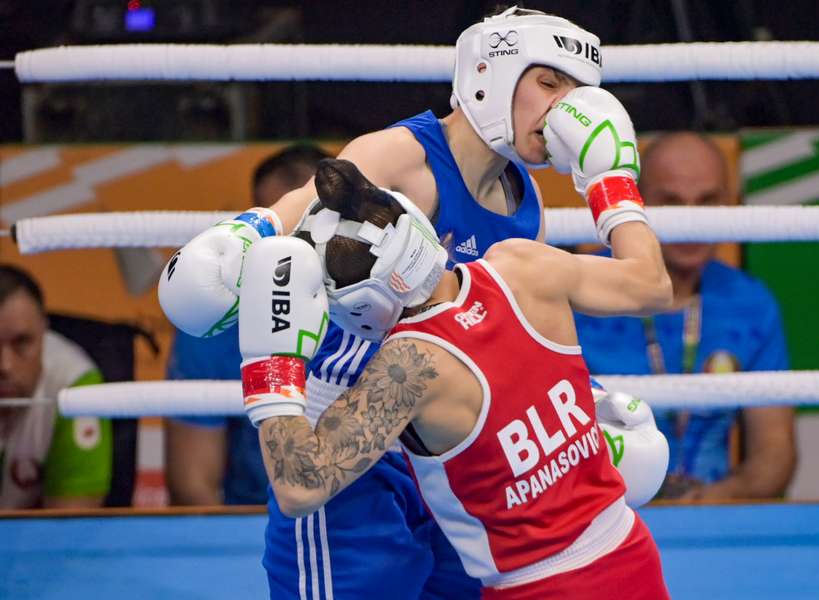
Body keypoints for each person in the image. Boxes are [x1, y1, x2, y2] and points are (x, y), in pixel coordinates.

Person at [159, 7, 642, 599]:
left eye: (577, 93)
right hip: (343, 434)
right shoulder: (403, 155)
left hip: (452, 452)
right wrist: (240, 238)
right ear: (494, 74)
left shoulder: (527, 200)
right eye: (548, 84)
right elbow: (301, 207)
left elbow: (510, 336)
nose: (564, 110)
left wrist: (582, 407)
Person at [237, 156, 672, 598]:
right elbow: (653, 283)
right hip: (630, 552)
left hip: (539, 588)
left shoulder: (409, 368)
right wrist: (608, 176)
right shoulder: (523, 265)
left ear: (358, 308)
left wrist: (270, 357)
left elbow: (299, 485)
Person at [574, 131, 797, 501]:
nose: (690, 221)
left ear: (727, 204)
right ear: (637, 203)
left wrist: (708, 501)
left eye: (706, 201)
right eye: (673, 201)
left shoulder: (750, 303)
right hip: (598, 519)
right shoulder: (580, 287)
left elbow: (774, 455)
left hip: (710, 525)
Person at [165, 142, 332, 506]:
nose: (291, 249)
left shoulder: (386, 302)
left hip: (376, 519)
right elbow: (193, 485)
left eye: (308, 225)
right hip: (255, 522)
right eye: (280, 229)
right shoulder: (218, 318)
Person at [0, 265, 112, 509]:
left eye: (22, 342)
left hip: (30, 545)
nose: (5, 366)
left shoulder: (76, 387)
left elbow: (70, 536)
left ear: (44, 332)